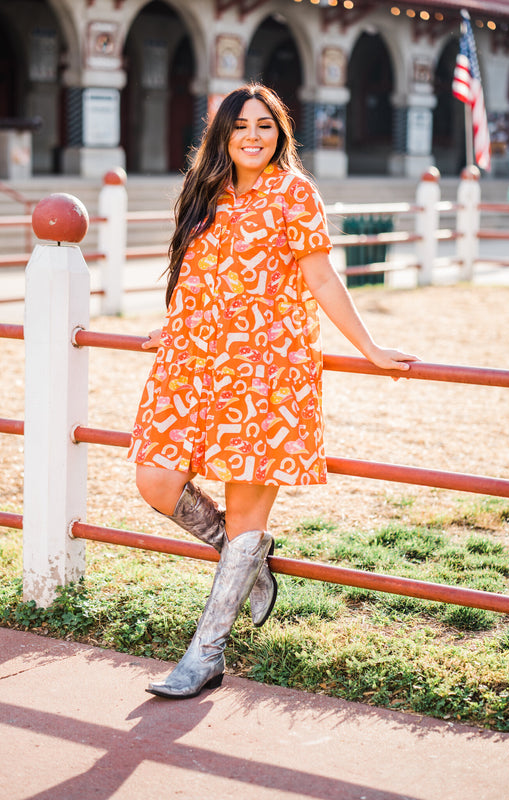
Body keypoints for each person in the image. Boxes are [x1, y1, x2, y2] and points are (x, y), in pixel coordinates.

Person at [127, 83, 419, 700]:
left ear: (280, 133)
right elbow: (198, 273)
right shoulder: (206, 190)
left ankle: (206, 653)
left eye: (265, 125)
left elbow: (320, 276)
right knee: (155, 478)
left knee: (247, 506)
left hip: (268, 369)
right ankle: (250, 560)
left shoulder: (295, 193)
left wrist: (370, 348)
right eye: (240, 126)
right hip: (194, 362)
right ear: (223, 136)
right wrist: (175, 324)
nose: (253, 136)